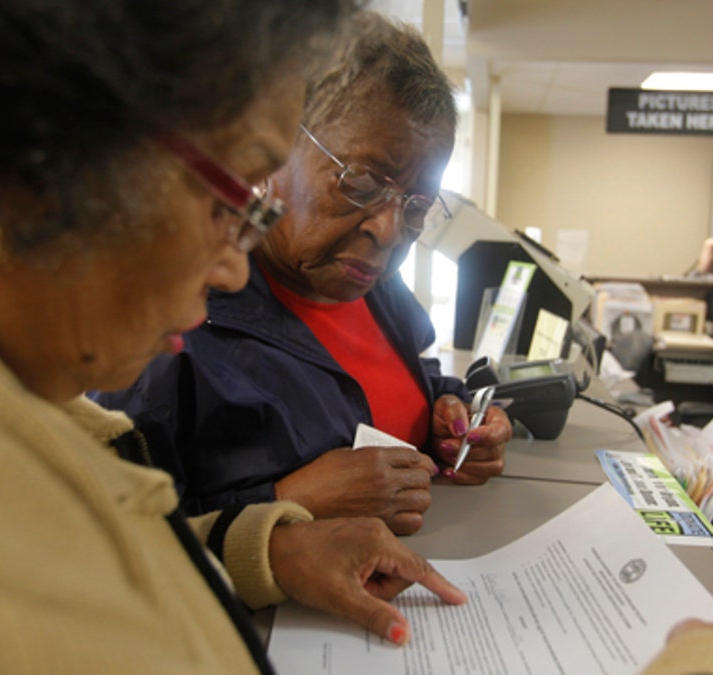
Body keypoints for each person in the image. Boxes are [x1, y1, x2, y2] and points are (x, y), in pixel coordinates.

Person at [0, 1, 480, 671]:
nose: (235, 265)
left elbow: (69, 542)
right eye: (233, 193)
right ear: (42, 144)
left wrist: (264, 548)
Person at [94, 12, 512, 536]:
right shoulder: (173, 322)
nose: (388, 230)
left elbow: (405, 380)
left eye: (417, 205)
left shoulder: (376, 288)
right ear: (273, 149)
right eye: (360, 181)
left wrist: (453, 417)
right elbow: (114, 537)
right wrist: (286, 501)